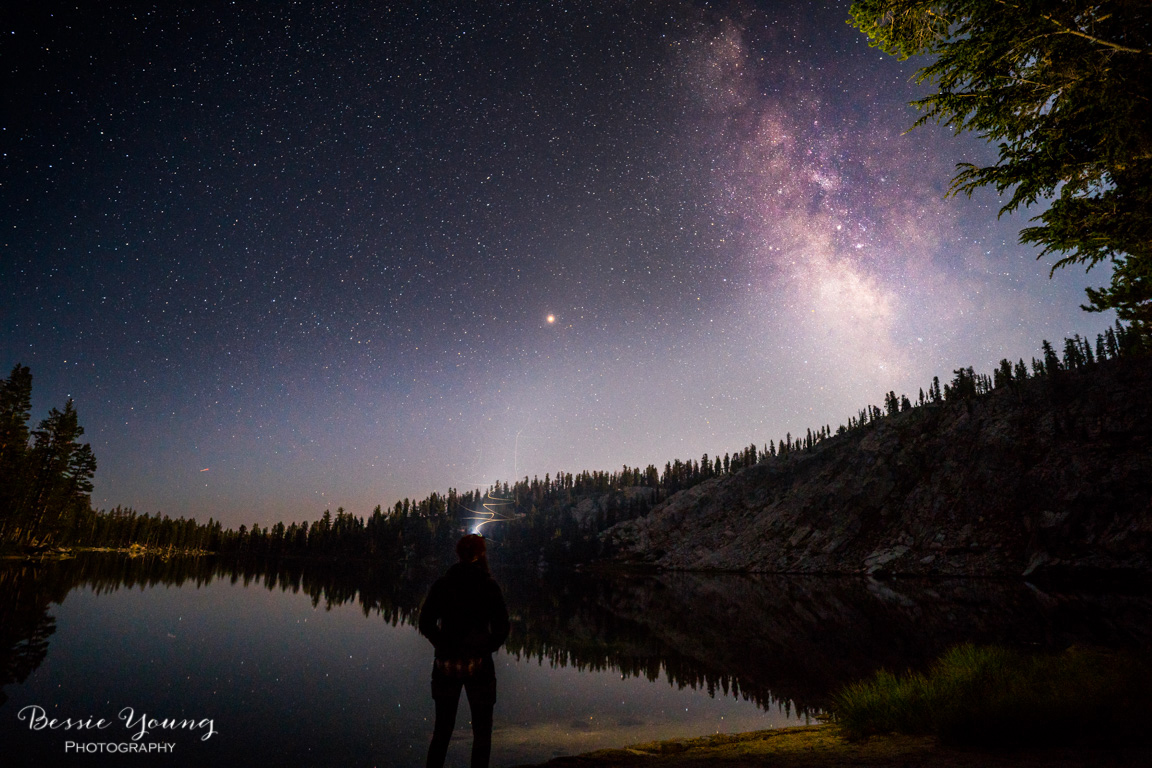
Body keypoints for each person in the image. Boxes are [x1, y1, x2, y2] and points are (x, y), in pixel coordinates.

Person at [418, 534, 510, 768]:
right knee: (481, 733)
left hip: (445, 666)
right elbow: (502, 628)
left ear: (458, 554)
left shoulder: (443, 584)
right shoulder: (488, 585)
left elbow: (425, 622)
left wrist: (443, 644)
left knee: (442, 731)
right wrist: (483, 648)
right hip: (479, 667)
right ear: (481, 554)